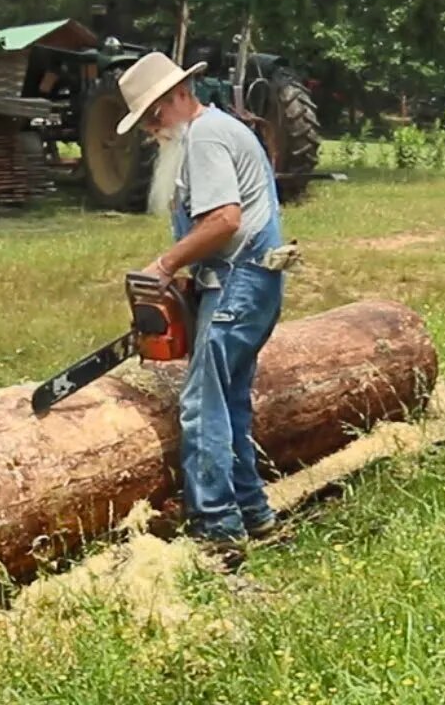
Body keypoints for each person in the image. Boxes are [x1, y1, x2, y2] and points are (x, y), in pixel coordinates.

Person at [114, 52, 296, 567]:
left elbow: (223, 221)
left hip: (241, 281)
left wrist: (165, 266)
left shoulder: (206, 137)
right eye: (145, 122)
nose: (153, 129)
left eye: (154, 115)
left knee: (202, 405)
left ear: (178, 95)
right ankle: (253, 514)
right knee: (229, 402)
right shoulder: (215, 130)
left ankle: (216, 529)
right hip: (244, 280)